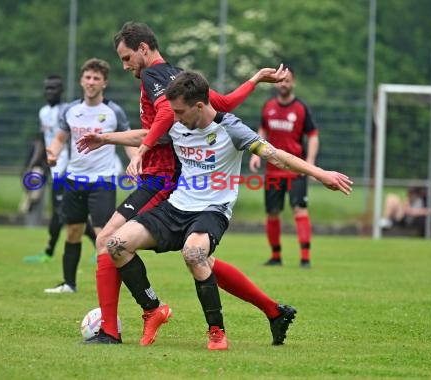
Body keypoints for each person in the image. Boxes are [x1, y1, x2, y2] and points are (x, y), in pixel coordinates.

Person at [76, 21, 291, 344]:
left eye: (126, 58)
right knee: (200, 258)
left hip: (163, 178)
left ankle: (115, 327)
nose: (125, 66)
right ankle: (274, 310)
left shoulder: (151, 76)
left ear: (144, 49)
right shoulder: (177, 75)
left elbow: (163, 116)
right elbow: (226, 103)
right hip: (171, 178)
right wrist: (255, 79)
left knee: (108, 239)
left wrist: (141, 151)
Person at [103, 71, 352, 349]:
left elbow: (276, 156)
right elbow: (146, 135)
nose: (174, 117)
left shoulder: (231, 128)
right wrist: (104, 138)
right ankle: (153, 309)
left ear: (199, 106)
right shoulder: (176, 121)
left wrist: (320, 174)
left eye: (180, 111)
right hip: (176, 206)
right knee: (116, 244)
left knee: (194, 254)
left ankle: (217, 332)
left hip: (212, 210)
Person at [44, 58, 135, 293]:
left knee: (102, 235)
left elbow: (129, 139)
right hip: (74, 179)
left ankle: (106, 289)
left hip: (103, 180)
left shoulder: (113, 111)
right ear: (81, 80)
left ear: (104, 83)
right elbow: (60, 139)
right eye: (88, 77)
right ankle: (69, 284)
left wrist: (135, 160)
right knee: (73, 231)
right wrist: (52, 153)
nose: (91, 82)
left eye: (96, 78)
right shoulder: (71, 111)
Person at [249, 66, 319, 268]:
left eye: (287, 81)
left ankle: (305, 257)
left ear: (293, 83)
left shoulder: (301, 109)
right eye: (281, 81)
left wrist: (311, 162)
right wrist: (256, 155)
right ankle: (275, 256)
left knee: (299, 209)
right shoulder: (268, 106)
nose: (284, 84)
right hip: (273, 170)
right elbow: (262, 130)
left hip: (296, 170)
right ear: (276, 83)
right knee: (272, 212)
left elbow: (313, 135)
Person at [23, 75, 97, 263]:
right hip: (54, 168)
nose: (50, 92)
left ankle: (49, 252)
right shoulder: (43, 112)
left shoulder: (66, 111)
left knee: (62, 212)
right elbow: (43, 139)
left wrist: (75, 164)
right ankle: (98, 246)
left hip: (67, 170)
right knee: (65, 212)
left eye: (54, 88)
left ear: (61, 91)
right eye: (47, 88)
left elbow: (72, 139)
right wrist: (34, 163)